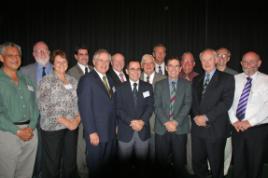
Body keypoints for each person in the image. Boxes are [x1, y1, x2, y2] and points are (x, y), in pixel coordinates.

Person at [191, 49, 234, 178]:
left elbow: (226, 103)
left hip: (215, 129)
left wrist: (206, 117)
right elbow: (193, 103)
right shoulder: (196, 80)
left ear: (216, 60)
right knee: (198, 164)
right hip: (198, 129)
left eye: (210, 59)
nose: (206, 62)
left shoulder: (227, 79)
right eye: (204, 60)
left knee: (216, 166)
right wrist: (196, 118)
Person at [37, 50, 80, 178]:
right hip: (53, 128)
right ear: (53, 64)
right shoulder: (46, 81)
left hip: (72, 127)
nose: (61, 64)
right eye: (58, 62)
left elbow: (80, 103)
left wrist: (76, 121)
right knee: (52, 164)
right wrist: (67, 122)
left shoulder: (73, 81)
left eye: (64, 61)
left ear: (67, 63)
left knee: (70, 162)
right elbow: (44, 107)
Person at [0, 42, 39, 178]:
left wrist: (31, 127)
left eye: (18, 55)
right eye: (10, 55)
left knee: (26, 174)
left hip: (31, 133)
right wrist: (17, 131)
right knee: (6, 173)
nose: (15, 58)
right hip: (7, 134)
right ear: (1, 57)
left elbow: (35, 106)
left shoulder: (26, 79)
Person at [77, 49, 117, 178]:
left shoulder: (109, 79)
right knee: (96, 168)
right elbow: (85, 108)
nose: (104, 63)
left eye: (107, 61)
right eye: (101, 60)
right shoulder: (87, 80)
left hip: (110, 132)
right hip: (96, 134)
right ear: (94, 61)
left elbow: (112, 105)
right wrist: (91, 132)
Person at [228, 51, 268, 178]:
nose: (248, 64)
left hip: (257, 129)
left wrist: (250, 122)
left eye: (252, 61)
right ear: (241, 63)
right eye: (245, 61)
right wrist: (234, 121)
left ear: (259, 63)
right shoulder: (234, 79)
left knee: (255, 165)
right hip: (237, 128)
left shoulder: (266, 80)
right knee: (238, 163)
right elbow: (227, 102)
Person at [154, 57, 192, 177]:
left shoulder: (187, 84)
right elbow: (156, 105)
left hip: (179, 128)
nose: (173, 68)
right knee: (162, 163)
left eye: (176, 66)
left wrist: (175, 122)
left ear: (180, 68)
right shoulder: (159, 85)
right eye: (170, 65)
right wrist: (166, 122)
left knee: (179, 162)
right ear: (166, 68)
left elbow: (187, 105)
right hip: (162, 128)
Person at [116, 60, 154, 177]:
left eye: (138, 69)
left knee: (142, 166)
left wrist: (142, 121)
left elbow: (150, 107)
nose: (136, 71)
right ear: (127, 71)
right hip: (125, 131)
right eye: (132, 69)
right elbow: (118, 109)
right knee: (124, 167)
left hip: (143, 132)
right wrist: (131, 122)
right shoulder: (120, 88)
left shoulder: (147, 86)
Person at [20, 40, 53, 178]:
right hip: (34, 117)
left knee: (52, 150)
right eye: (38, 51)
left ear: (49, 53)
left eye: (44, 50)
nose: (42, 53)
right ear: (33, 54)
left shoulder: (59, 68)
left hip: (54, 117)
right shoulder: (24, 71)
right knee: (36, 150)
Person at [68, 45, 92, 178]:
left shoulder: (94, 70)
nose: (84, 57)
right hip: (79, 115)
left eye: (86, 54)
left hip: (94, 115)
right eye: (81, 54)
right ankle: (82, 173)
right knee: (80, 146)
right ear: (76, 56)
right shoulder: (71, 72)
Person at [216, 47, 238, 176]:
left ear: (228, 58)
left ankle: (223, 172)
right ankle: (210, 169)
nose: (222, 58)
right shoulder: (209, 73)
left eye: (225, 56)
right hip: (211, 118)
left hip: (228, 118)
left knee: (226, 148)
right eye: (219, 55)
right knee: (211, 145)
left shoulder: (235, 75)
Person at [140, 54, 165, 161]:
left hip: (158, 123)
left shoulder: (163, 78)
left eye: (151, 62)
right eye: (145, 63)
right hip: (141, 123)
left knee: (156, 155)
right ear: (141, 65)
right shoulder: (136, 77)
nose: (149, 65)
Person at [179, 51, 199, 175]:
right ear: (181, 63)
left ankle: (191, 169)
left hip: (192, 118)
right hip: (176, 117)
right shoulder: (174, 74)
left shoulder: (199, 78)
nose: (187, 64)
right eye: (184, 61)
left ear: (194, 63)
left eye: (189, 61)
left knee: (191, 145)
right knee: (177, 145)